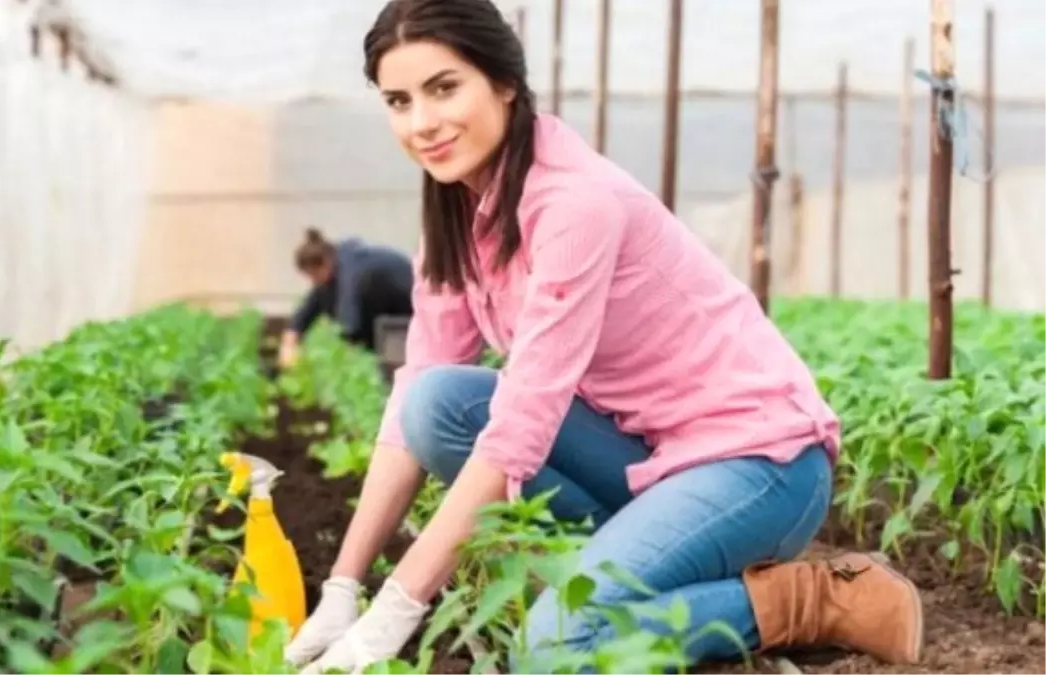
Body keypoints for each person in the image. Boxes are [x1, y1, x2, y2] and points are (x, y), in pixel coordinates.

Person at [286, 0, 925, 673]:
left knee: (558, 644)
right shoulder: (455, 217)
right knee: (435, 404)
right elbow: (417, 387)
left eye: (444, 88)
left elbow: (518, 431)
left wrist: (397, 608)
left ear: (504, 81)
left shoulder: (573, 204)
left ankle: (813, 599)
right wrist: (343, 585)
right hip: (650, 458)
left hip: (758, 465)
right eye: (399, 100)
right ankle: (631, 569)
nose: (423, 123)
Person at [278, 227, 414, 367]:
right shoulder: (335, 268)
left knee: (394, 368)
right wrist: (290, 340)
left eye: (313, 275)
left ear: (325, 262)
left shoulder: (351, 270)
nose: (313, 281)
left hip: (408, 314)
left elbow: (349, 323)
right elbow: (311, 305)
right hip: (387, 318)